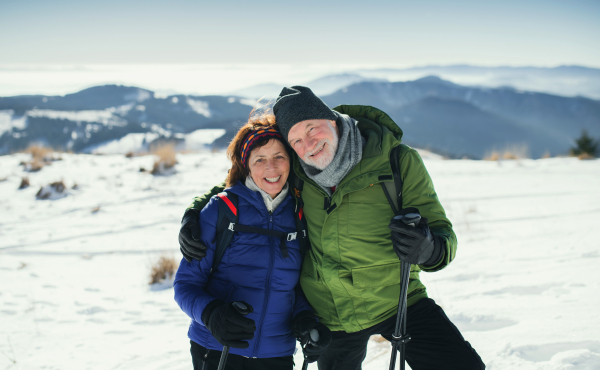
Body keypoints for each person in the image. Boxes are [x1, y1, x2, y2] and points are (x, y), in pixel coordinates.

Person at [179, 86, 485, 370]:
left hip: (398, 299)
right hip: (331, 315)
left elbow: (442, 233)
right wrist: (195, 209)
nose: (308, 144)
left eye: (312, 129)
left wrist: (429, 248)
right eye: (296, 140)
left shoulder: (396, 162)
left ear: (334, 120)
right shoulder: (297, 166)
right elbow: (251, 178)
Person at [174, 112, 331, 370]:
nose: (272, 168)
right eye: (260, 159)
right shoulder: (222, 210)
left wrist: (306, 320)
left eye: (279, 157)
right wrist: (211, 315)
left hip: (276, 354)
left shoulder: (300, 213)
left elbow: (295, 287)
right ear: (246, 165)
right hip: (218, 347)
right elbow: (185, 285)